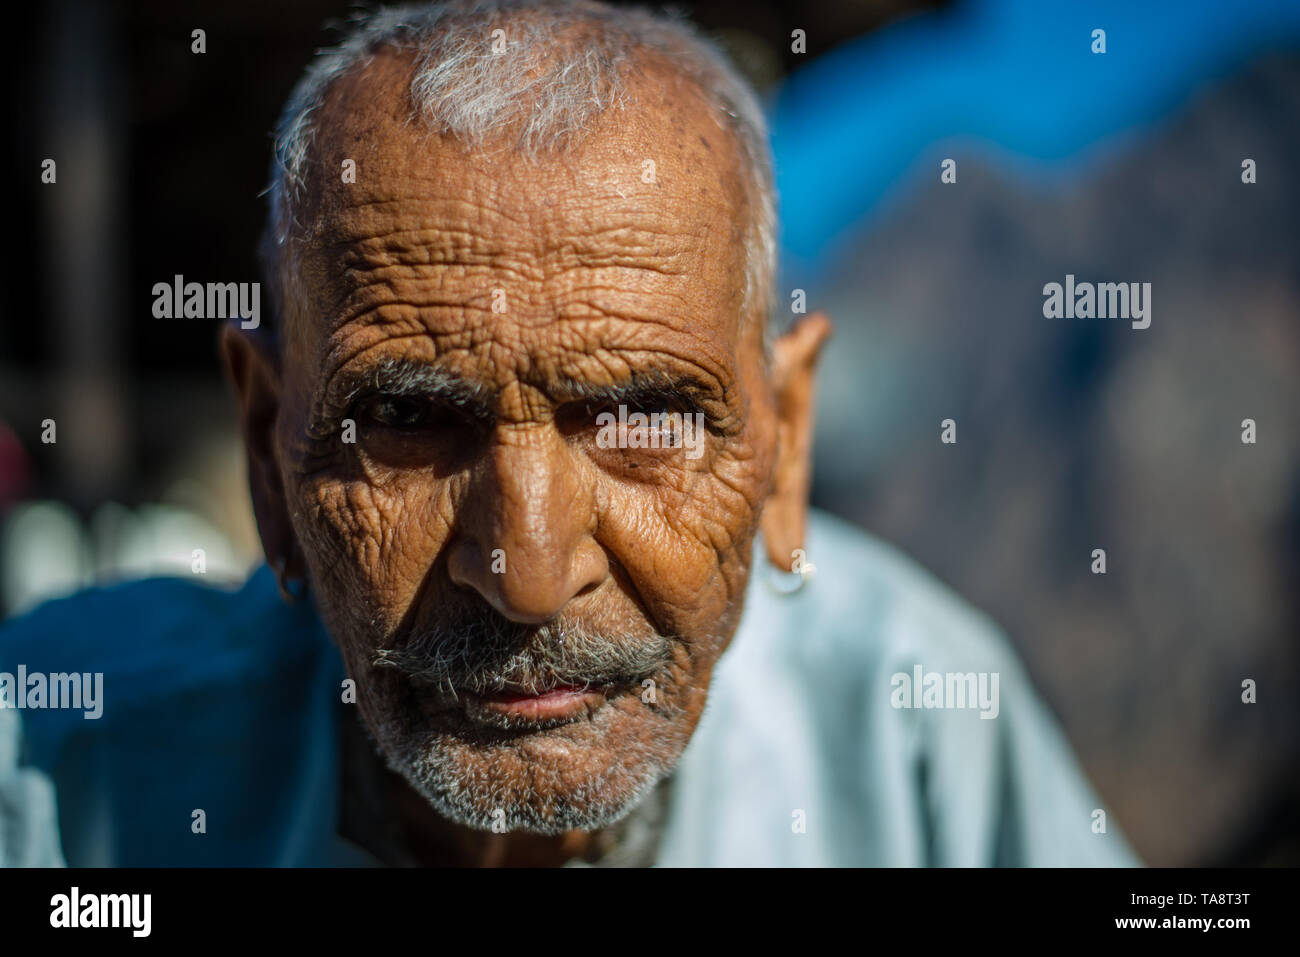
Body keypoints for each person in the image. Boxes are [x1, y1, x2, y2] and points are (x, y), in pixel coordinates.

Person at [0, 0, 1137, 867]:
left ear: (784, 444)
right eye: (405, 420)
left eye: (643, 419)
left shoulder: (915, 739)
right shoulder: (61, 774)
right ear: (266, 450)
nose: (529, 578)